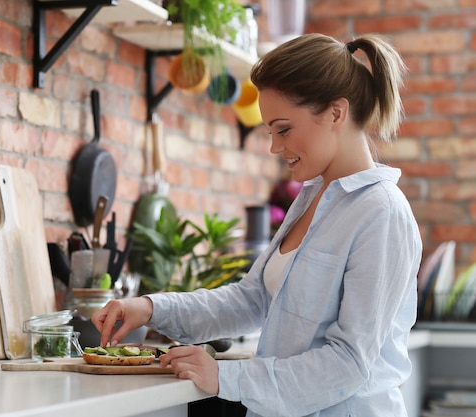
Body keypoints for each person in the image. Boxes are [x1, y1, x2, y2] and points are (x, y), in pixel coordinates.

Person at [92, 33, 422, 417]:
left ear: (336, 113)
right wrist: (151, 308)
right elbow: (252, 300)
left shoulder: (382, 213)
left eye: (283, 129)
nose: (275, 147)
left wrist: (226, 378)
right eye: (270, 131)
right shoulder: (312, 196)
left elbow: (347, 364)